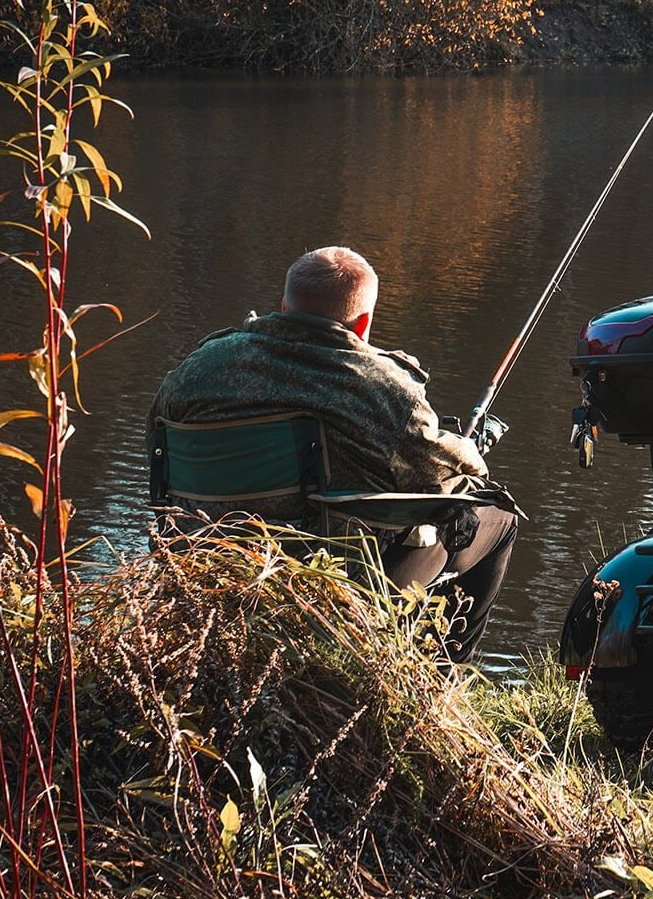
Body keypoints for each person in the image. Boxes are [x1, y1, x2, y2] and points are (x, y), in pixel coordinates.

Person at [148, 246, 517, 661]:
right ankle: (439, 681)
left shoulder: (197, 369)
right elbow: (458, 472)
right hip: (333, 581)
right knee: (497, 520)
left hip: (205, 567)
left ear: (283, 305)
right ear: (364, 323)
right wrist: (467, 446)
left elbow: (158, 455)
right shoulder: (384, 390)